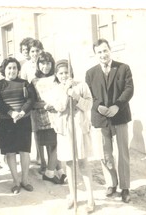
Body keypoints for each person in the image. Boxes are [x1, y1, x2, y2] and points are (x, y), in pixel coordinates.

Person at [86, 38, 134, 203]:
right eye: (99, 52)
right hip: (100, 118)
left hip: (119, 116)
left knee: (122, 153)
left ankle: (125, 188)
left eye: (105, 50)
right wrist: (98, 106)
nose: (103, 54)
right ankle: (111, 183)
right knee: (105, 154)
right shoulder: (90, 73)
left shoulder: (123, 68)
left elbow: (129, 89)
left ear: (110, 50)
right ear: (95, 54)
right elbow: (89, 95)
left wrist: (117, 106)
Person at [51, 59, 95, 212]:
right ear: (57, 75)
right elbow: (59, 107)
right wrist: (65, 92)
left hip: (79, 128)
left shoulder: (81, 85)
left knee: (83, 162)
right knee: (69, 163)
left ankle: (90, 199)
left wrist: (76, 96)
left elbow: (89, 105)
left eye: (66, 72)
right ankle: (73, 196)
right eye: (61, 73)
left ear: (71, 72)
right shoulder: (56, 90)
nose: (64, 76)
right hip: (65, 130)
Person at [0, 57, 36, 194]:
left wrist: (22, 112)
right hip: (6, 122)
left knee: (24, 151)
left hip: (23, 121)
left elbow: (31, 99)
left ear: (18, 69)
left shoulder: (25, 83)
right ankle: (16, 181)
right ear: (4, 70)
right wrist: (11, 113)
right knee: (10, 152)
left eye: (14, 68)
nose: (12, 70)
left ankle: (25, 180)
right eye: (9, 68)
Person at [31, 52, 66, 184]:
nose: (45, 66)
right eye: (42, 63)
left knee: (57, 145)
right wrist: (45, 105)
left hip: (59, 115)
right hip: (43, 117)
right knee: (51, 146)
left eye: (48, 63)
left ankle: (57, 171)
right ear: (38, 64)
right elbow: (32, 102)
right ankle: (52, 172)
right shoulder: (34, 81)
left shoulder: (56, 78)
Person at [20, 39, 46, 173]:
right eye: (32, 51)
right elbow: (23, 84)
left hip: (46, 102)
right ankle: (41, 159)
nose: (35, 53)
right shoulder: (25, 66)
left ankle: (54, 163)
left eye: (37, 50)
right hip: (34, 102)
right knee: (37, 131)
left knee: (50, 132)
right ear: (29, 53)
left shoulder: (46, 62)